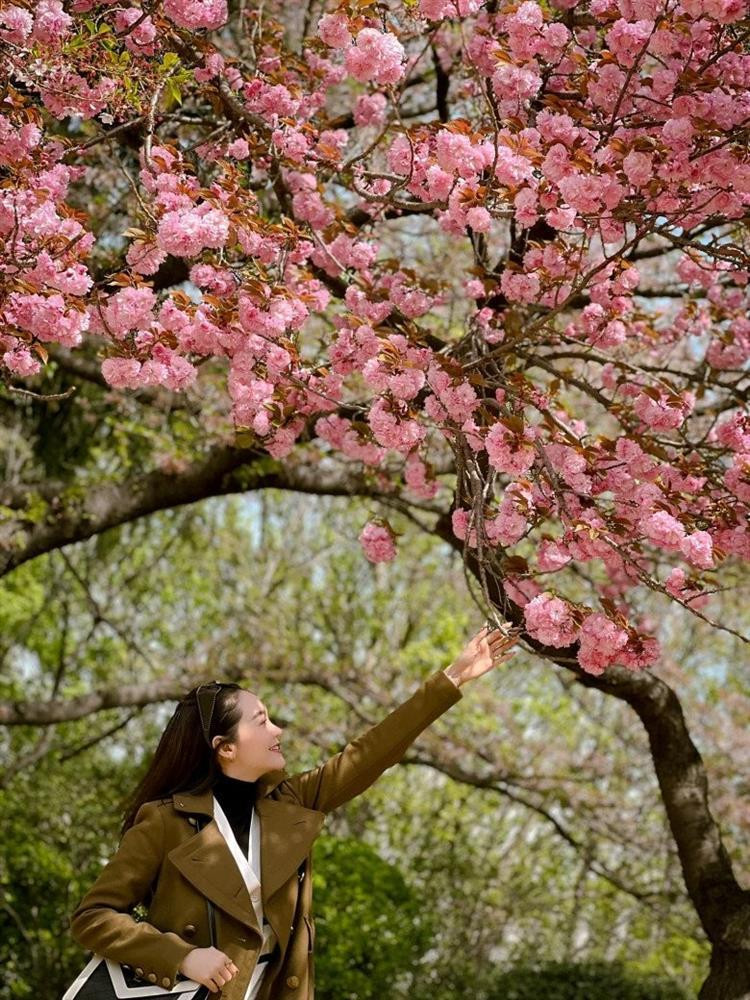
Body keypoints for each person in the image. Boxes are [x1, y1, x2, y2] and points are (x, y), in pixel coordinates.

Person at [69, 623, 519, 1000]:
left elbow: (371, 753)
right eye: (261, 720)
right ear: (224, 748)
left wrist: (454, 677)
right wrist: (180, 955)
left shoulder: (292, 804)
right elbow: (93, 917)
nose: (277, 728)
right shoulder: (165, 822)